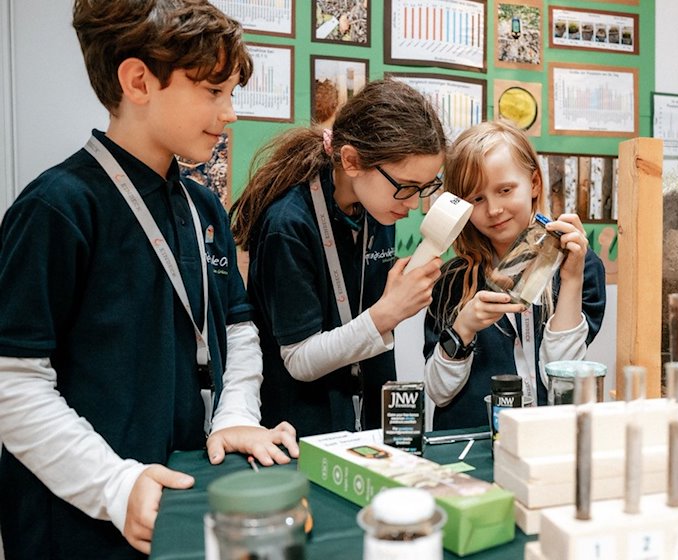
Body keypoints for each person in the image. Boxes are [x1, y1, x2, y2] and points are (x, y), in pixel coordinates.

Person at [0, 1, 299, 558]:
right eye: (214, 93)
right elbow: (13, 384)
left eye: (231, 94)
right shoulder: (58, 208)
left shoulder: (203, 208)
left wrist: (233, 418)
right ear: (139, 80)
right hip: (81, 521)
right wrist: (115, 486)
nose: (230, 113)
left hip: (179, 494)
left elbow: (238, 331)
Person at [230, 79, 447, 437]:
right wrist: (389, 312)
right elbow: (299, 359)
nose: (412, 205)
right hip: (302, 428)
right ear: (351, 161)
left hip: (370, 420)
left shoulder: (378, 210)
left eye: (424, 188)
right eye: (406, 188)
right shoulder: (288, 225)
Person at [423, 120, 606, 430]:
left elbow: (560, 375)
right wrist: (463, 328)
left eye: (505, 190)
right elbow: (439, 393)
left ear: (534, 183)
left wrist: (572, 279)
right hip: (472, 445)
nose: (493, 209)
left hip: (545, 438)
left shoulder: (579, 264)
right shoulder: (451, 279)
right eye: (476, 199)